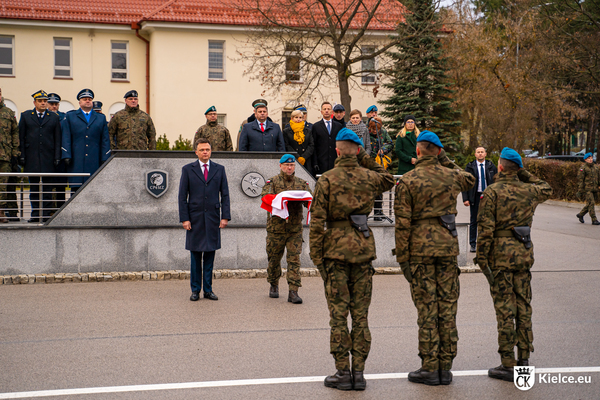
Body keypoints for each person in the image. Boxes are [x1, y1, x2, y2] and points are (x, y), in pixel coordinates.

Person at [309, 128, 394, 391]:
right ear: (357, 150)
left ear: (336, 151)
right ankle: (359, 373)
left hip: (334, 252)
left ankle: (342, 373)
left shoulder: (327, 179)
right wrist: (365, 158)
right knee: (361, 316)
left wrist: (317, 258)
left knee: (338, 315)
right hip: (363, 249)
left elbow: (317, 223)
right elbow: (388, 178)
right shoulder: (368, 176)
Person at [394, 131, 475, 386]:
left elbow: (402, 224)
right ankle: (445, 367)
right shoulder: (452, 176)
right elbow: (470, 180)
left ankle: (430, 367)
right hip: (447, 249)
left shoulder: (407, 180)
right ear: (438, 151)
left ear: (417, 152)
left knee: (427, 308)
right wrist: (446, 159)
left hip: (419, 250)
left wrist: (403, 260)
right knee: (447, 307)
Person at [475, 148, 552, 382]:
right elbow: (547, 188)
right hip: (523, 254)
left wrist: (481, 258)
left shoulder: (492, 192)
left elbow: (485, 229)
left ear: (499, 167)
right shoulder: (530, 190)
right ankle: (525, 358)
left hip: (500, 257)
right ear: (517, 168)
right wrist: (524, 173)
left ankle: (508, 363)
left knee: (505, 310)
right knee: (523, 306)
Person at [178, 137, 231, 302]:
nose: (205, 152)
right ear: (196, 152)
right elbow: (182, 197)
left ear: (211, 151)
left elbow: (226, 195)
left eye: (207, 149)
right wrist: (184, 219)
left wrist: (225, 217)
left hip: (213, 219)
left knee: (210, 255)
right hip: (194, 219)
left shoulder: (219, 169)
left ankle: (208, 290)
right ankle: (195, 290)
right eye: (202, 150)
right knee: (195, 257)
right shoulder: (188, 169)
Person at [261, 154, 312, 303]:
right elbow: (265, 197)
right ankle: (273, 283)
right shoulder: (273, 182)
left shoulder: (302, 183)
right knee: (274, 259)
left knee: (294, 260)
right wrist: (281, 198)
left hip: (294, 229)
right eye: (287, 165)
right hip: (276, 229)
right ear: (281, 166)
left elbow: (310, 199)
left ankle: (293, 291)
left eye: (292, 165)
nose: (289, 168)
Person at [18, 90, 62, 223]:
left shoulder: (54, 117)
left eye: (45, 101)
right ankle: (36, 213)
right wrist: (22, 156)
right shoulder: (26, 116)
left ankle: (46, 214)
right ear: (34, 102)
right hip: (32, 158)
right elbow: (21, 137)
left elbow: (57, 138)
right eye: (40, 101)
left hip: (49, 157)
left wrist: (57, 156)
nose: (43, 103)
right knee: (34, 188)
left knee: (48, 188)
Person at [61, 89, 112, 190]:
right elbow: (66, 137)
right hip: (76, 159)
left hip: (94, 159)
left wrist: (105, 157)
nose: (87, 101)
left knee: (93, 188)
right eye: (85, 99)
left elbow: (105, 139)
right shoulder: (70, 116)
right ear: (80, 102)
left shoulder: (100, 118)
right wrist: (66, 154)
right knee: (76, 189)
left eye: (89, 99)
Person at [462, 147, 498, 251]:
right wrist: (465, 198)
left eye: (482, 152)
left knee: (488, 220)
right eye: (478, 152)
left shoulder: (491, 166)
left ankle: (486, 243)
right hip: (475, 196)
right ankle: (473, 244)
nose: (480, 154)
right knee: (474, 220)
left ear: (486, 154)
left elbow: (496, 182)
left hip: (488, 196)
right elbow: (464, 184)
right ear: (475, 154)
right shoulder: (470, 167)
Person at [0, 88, 19, 223]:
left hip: (4, 157)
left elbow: (15, 134)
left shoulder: (8, 113)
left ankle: (1, 212)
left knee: (2, 185)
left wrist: (15, 154)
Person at [369, 117, 393, 221]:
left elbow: (390, 143)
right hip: (369, 163)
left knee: (379, 188)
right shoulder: (366, 132)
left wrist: (383, 149)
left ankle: (378, 212)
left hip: (379, 164)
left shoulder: (383, 132)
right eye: (373, 129)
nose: (375, 131)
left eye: (377, 129)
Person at [47, 93, 67, 213]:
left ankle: (60, 210)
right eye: (52, 104)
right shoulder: (45, 117)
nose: (54, 106)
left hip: (61, 155)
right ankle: (48, 210)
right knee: (48, 184)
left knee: (60, 185)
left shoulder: (64, 118)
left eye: (56, 104)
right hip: (48, 155)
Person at [312, 102, 342, 176]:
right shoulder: (316, 126)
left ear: (332, 111)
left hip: (335, 162)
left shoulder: (338, 126)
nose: (326, 111)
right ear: (321, 111)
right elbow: (314, 145)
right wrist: (315, 162)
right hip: (321, 162)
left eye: (328, 109)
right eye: (324, 109)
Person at [576, 152, 600, 225]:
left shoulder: (596, 167)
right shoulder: (583, 168)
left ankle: (581, 214)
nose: (590, 159)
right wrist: (580, 190)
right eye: (588, 158)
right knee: (591, 203)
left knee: (589, 204)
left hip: (595, 189)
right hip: (587, 189)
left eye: (591, 158)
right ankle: (594, 219)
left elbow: (599, 178)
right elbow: (580, 180)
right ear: (585, 160)